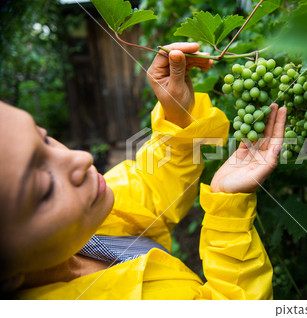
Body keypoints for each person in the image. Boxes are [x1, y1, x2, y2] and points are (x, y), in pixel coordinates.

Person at [0, 42, 286, 299]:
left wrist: (178, 117)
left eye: (46, 139)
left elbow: (150, 189)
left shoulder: (86, 223)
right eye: (44, 187)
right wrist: (230, 216)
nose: (81, 158)